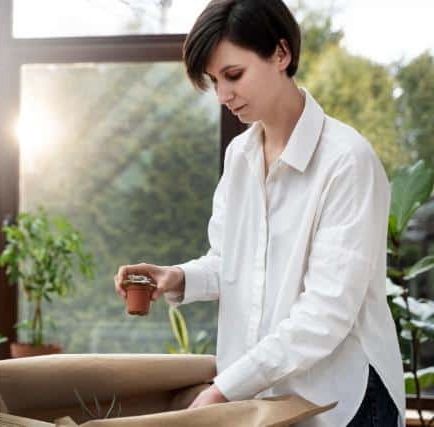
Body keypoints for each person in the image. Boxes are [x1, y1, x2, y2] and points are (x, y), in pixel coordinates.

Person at [113, 1, 405, 426]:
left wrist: (224, 388)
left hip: (343, 398)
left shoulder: (347, 161)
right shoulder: (240, 157)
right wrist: (177, 277)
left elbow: (325, 314)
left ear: (281, 54)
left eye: (233, 75)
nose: (222, 95)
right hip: (267, 396)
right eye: (214, 81)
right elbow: (232, 262)